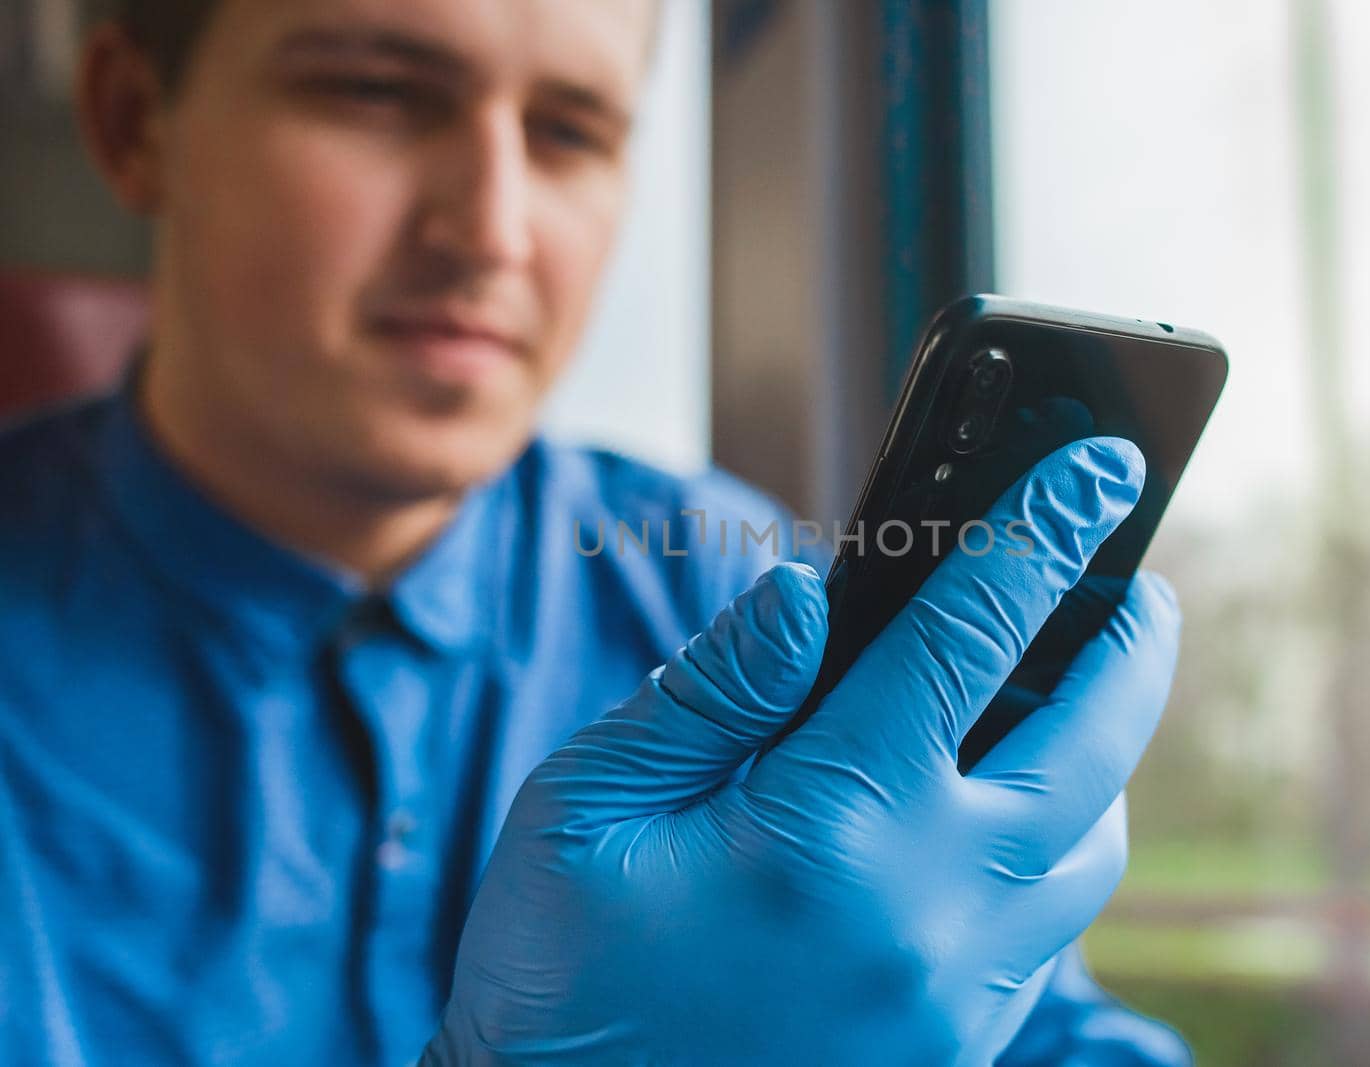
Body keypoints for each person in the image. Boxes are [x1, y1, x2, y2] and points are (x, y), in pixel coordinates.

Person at [0, 1, 1192, 1063]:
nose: (491, 229)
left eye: (570, 131)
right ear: (132, 121)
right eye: (373, 92)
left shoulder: (734, 577)